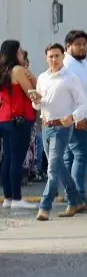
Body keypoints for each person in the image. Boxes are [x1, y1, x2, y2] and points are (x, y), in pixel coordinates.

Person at [34, 43, 87, 221]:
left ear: (63, 57)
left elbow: (83, 103)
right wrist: (36, 101)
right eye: (51, 56)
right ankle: (75, 199)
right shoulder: (42, 78)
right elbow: (38, 105)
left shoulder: (70, 78)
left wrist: (73, 117)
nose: (54, 60)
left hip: (62, 127)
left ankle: (44, 207)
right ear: (46, 58)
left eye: (57, 56)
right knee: (58, 166)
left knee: (52, 169)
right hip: (46, 126)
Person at [62, 30, 87, 208]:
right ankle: (78, 197)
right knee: (79, 157)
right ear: (68, 46)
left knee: (72, 158)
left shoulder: (83, 65)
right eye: (78, 44)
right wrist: (77, 117)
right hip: (78, 121)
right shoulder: (68, 66)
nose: (82, 47)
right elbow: (66, 96)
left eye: (85, 44)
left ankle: (73, 198)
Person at [0, 40, 37, 209]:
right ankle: (17, 199)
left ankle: (8, 197)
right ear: (15, 54)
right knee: (16, 161)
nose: (23, 55)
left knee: (7, 160)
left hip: (5, 120)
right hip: (20, 120)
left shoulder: (3, 71)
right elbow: (33, 92)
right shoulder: (18, 70)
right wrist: (31, 74)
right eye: (21, 52)